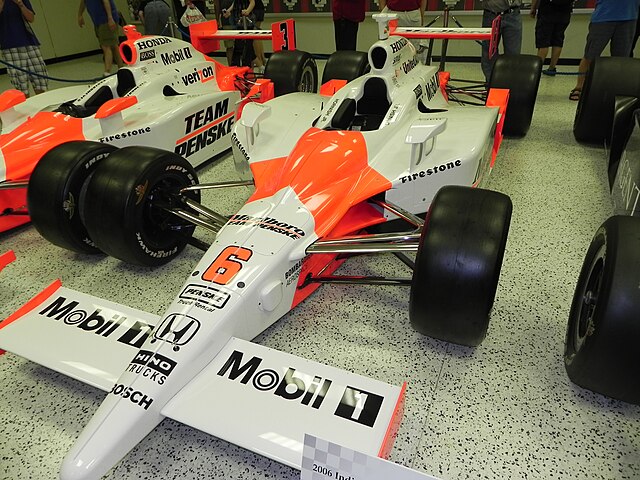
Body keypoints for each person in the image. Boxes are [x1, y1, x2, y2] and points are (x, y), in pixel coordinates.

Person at [570, 0, 640, 101]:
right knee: (590, 56)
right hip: (603, 17)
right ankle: (579, 87)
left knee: (621, 60)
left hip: (629, 17)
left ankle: (618, 89)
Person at [0, 0, 48, 96]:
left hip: (30, 42)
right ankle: (26, 108)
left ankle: (42, 105)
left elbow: (31, 18)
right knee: (21, 84)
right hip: (10, 47)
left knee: (39, 79)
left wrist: (21, 5)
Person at [480, 0, 523, 82]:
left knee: (513, 55)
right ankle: (491, 86)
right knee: (489, 55)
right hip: (491, 14)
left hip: (513, 13)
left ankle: (509, 87)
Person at [78, 0, 123, 77]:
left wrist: (110, 18)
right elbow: (83, 2)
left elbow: (106, 1)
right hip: (98, 21)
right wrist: (80, 15)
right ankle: (122, 68)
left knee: (106, 46)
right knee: (113, 45)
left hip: (106, 20)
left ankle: (107, 72)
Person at [530, 0, 573, 76]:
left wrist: (533, 7)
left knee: (543, 43)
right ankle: (552, 68)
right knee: (558, 40)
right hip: (565, 12)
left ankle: (537, 70)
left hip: (547, 11)